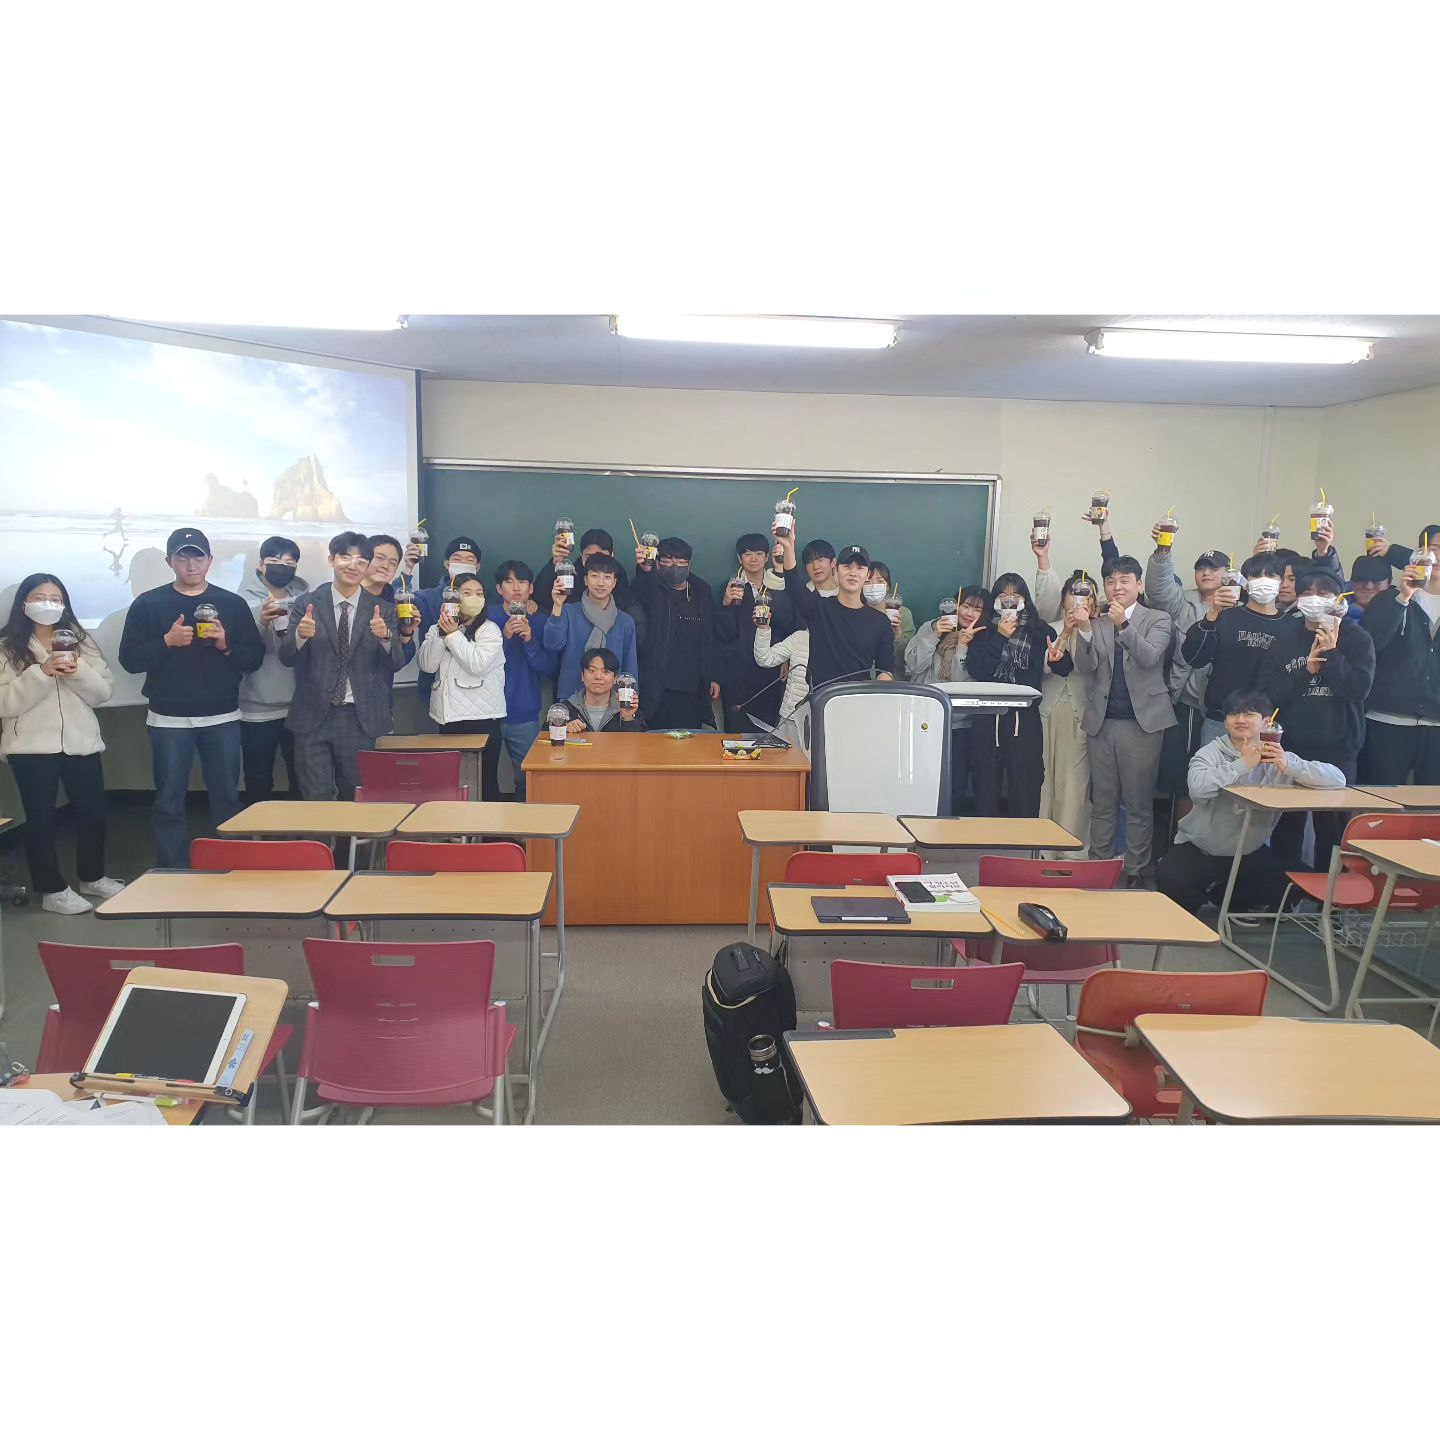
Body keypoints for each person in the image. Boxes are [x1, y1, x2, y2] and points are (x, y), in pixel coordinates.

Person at [118, 527, 264, 867]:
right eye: (182, 557)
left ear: (210, 560)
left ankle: (231, 866)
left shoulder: (232, 604)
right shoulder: (148, 604)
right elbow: (130, 661)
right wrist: (165, 642)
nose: (191, 564)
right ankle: (173, 872)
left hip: (222, 717)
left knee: (227, 799)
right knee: (169, 802)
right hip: (168, 719)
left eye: (198, 556)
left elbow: (254, 659)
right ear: (169, 561)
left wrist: (225, 644)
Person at [1156, 690, 1346, 918]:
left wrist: (1289, 766)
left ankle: (1228, 898)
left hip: (1249, 852)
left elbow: (1338, 779)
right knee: (1170, 878)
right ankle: (1196, 902)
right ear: (1225, 722)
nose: (1240, 720)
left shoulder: (1276, 755)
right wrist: (1243, 764)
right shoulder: (1211, 752)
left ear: (1266, 722)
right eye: (1233, 714)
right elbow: (1198, 787)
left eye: (1249, 714)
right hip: (1202, 849)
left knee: (1299, 881)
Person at [0, 574, 124, 913]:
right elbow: (4, 703)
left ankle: (92, 876)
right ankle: (52, 890)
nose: (49, 604)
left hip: (81, 742)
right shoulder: (7, 647)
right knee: (41, 819)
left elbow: (103, 692)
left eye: (56, 599)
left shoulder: (81, 642)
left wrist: (77, 671)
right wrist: (42, 672)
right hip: (30, 747)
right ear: (24, 604)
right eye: (40, 597)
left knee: (93, 813)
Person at [279, 531, 409, 802]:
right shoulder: (308, 603)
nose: (353, 565)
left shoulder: (382, 609)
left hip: (360, 717)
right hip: (313, 714)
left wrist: (386, 637)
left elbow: (396, 662)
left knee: (356, 797)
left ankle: (349, 834)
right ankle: (319, 833)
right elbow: (287, 657)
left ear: (367, 566)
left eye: (361, 561)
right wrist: (300, 636)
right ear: (331, 559)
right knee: (316, 797)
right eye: (345, 557)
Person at [1072, 556, 1176, 885]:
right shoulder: (1097, 619)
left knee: (1138, 803)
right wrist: (1084, 630)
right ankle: (1098, 867)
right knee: (1103, 802)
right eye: (1110, 581)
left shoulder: (1158, 618)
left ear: (1139, 585)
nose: (1116, 587)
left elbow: (1149, 657)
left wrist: (1123, 626)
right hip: (1102, 722)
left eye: (1124, 580)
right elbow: (1085, 667)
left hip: (1142, 724)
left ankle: (1136, 869)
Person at [1260, 569, 1376, 863]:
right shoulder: (1284, 639)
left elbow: (1357, 690)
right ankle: (1284, 886)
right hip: (1291, 746)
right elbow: (1269, 694)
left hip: (1339, 747)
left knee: (1333, 829)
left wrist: (1332, 653)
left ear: (1338, 598)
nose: (1314, 599)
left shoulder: (1358, 639)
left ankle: (1330, 888)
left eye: (1323, 593)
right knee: (1287, 826)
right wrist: (1305, 672)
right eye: (1307, 593)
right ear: (1298, 599)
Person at [967, 574, 1067, 817]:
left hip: (1024, 719)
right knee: (985, 786)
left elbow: (1064, 668)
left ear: (1025, 600)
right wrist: (1000, 636)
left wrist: (1058, 659)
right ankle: (983, 838)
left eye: (1016, 596)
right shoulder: (982, 629)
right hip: (987, 718)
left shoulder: (1039, 629)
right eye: (1003, 596)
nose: (1009, 601)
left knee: (1026, 787)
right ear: (994, 600)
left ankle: (1023, 840)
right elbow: (978, 670)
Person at [1145, 539, 1229, 810]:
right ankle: (1180, 833)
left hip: (1224, 708)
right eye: (1201, 567)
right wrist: (1163, 552)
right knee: (1183, 778)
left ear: (1227, 573)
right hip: (1186, 702)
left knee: (1219, 778)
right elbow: (1158, 589)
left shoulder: (1240, 607)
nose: (1206, 572)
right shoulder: (1182, 602)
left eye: (1214, 568)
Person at [1180, 552, 1287, 744]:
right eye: (1256, 575)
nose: (1264, 581)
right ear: (1245, 582)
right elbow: (1194, 657)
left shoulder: (1291, 626)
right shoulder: (1225, 617)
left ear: (1282, 582)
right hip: (1220, 719)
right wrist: (1213, 614)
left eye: (1271, 575)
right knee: (1211, 765)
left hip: (1268, 725)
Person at [418, 572, 506, 800]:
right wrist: (442, 633)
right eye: (467, 593)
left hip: (482, 719)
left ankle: (489, 825)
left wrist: (453, 634)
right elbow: (427, 665)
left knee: (485, 784)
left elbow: (477, 665)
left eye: (479, 593)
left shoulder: (490, 630)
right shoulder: (436, 628)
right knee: (451, 785)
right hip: (448, 718)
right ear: (452, 598)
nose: (474, 598)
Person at [906, 585, 989, 814]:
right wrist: (934, 636)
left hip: (958, 724)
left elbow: (962, 684)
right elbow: (912, 665)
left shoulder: (982, 639)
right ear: (954, 605)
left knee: (954, 785)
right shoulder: (930, 627)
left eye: (977, 609)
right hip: (922, 720)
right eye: (966, 606)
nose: (969, 613)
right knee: (919, 780)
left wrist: (962, 646)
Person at [773, 534, 894, 690]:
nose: (853, 573)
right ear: (836, 570)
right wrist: (788, 547)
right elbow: (794, 585)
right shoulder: (819, 608)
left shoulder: (880, 622)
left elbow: (885, 669)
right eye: (847, 566)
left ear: (867, 575)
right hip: (822, 698)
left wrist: (875, 693)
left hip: (859, 697)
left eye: (860, 568)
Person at [1360, 551, 1440, 784]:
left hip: (1436, 724)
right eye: (1434, 548)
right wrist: (1403, 597)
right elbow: (1370, 645)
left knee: (1432, 802)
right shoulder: (1389, 598)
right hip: (1387, 719)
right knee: (1380, 796)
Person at [239, 535, 308, 801]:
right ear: (260, 564)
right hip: (256, 705)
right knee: (258, 777)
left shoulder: (307, 600)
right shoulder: (241, 601)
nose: (282, 567)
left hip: (300, 703)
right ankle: (257, 826)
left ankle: (302, 826)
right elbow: (238, 651)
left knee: (302, 775)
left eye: (290, 563)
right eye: (275, 561)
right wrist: (261, 622)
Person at [487, 559, 558, 798]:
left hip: (523, 710)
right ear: (499, 589)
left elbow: (548, 667)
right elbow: (477, 663)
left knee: (528, 777)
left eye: (522, 581)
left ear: (531, 588)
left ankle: (525, 823)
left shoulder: (540, 621)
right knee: (483, 776)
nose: (516, 588)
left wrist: (529, 641)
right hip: (485, 712)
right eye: (509, 582)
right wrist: (505, 637)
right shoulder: (486, 618)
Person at [631, 536, 719, 729]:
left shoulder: (702, 591)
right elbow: (640, 588)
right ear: (657, 564)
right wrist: (644, 570)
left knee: (689, 741)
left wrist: (713, 676)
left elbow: (710, 638)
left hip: (693, 688)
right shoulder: (652, 590)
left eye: (680, 563)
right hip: (658, 686)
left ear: (689, 564)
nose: (674, 567)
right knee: (654, 741)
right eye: (667, 562)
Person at [1036, 573, 1094, 850]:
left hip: (1081, 713)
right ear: (1063, 600)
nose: (1079, 598)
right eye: (1073, 592)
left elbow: (1092, 667)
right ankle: (1041, 849)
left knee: (1074, 786)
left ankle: (1070, 851)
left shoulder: (1098, 630)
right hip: (1046, 710)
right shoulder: (1049, 628)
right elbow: (1043, 668)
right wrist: (1065, 633)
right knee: (1045, 781)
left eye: (1086, 593)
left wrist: (1082, 629)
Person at [543, 551, 640, 702]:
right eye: (594, 576)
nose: (600, 583)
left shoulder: (625, 621)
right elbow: (551, 645)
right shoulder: (569, 612)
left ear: (614, 582)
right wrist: (557, 605)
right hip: (572, 696)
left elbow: (630, 665)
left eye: (607, 577)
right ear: (585, 580)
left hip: (612, 701)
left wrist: (630, 698)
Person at [716, 533, 786, 730]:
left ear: (767, 557)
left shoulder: (778, 586)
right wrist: (725, 605)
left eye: (759, 553)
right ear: (739, 559)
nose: (753, 559)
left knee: (767, 729)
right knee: (735, 730)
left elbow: (786, 624)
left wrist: (785, 658)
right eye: (747, 554)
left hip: (769, 669)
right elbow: (722, 634)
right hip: (736, 670)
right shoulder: (731, 586)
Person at [411, 536, 483, 713]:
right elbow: (393, 603)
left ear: (477, 566)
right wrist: (407, 569)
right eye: (457, 558)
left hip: (476, 690)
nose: (463, 564)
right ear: (447, 563)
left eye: (470, 560)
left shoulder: (485, 599)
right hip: (434, 688)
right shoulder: (425, 597)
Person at [562, 647, 647, 732]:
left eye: (605, 672)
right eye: (592, 670)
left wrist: (628, 718)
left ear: (615, 679)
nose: (598, 677)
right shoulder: (564, 710)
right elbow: (554, 734)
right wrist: (564, 729)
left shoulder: (631, 710)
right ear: (582, 676)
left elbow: (640, 739)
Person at [862, 560, 916, 677]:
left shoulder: (902, 614)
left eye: (880, 581)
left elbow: (909, 659)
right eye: (868, 582)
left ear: (887, 586)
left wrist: (897, 635)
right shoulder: (855, 612)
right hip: (862, 679)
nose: (874, 586)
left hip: (894, 680)